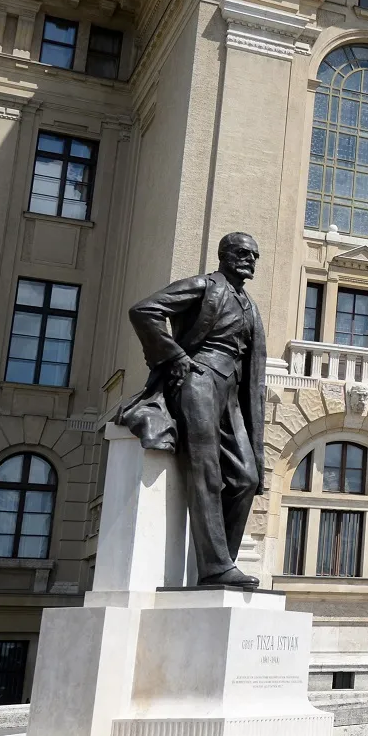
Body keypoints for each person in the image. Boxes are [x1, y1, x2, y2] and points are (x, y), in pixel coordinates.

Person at [117, 231, 267, 588]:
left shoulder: (249, 304)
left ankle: (224, 562)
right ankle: (215, 569)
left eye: (255, 256)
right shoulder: (203, 286)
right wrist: (175, 356)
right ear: (225, 255)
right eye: (244, 253)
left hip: (231, 389)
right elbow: (144, 310)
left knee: (247, 477)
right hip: (199, 378)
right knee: (206, 470)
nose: (251, 260)